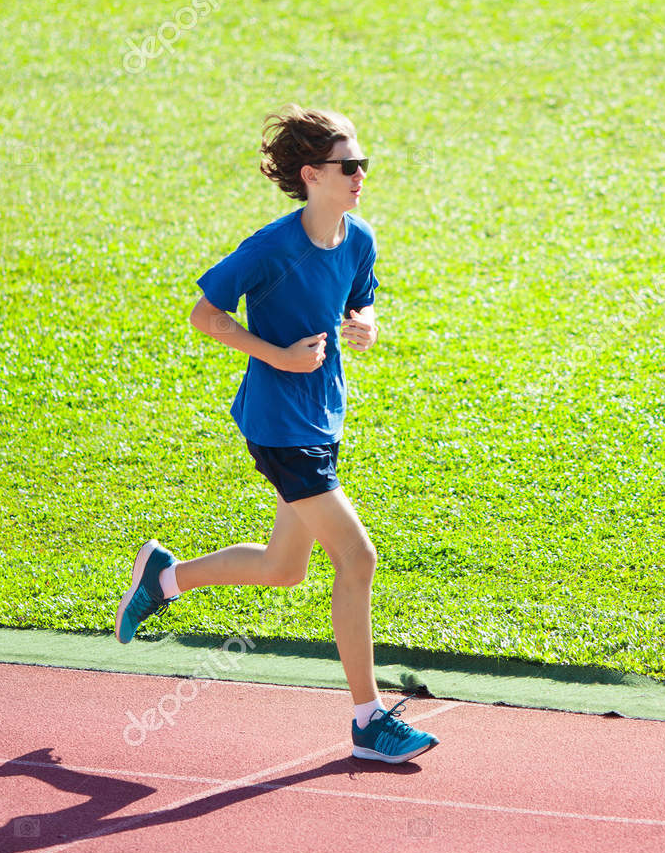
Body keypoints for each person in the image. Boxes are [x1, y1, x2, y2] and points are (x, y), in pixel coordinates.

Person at [113, 104, 438, 764]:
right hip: (279, 427)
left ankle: (164, 578)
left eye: (363, 164)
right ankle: (368, 720)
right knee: (359, 558)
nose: (360, 175)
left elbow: (360, 297)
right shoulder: (270, 248)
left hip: (324, 420)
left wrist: (366, 323)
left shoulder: (358, 238)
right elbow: (207, 315)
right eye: (349, 165)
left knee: (283, 568)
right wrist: (277, 354)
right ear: (312, 174)